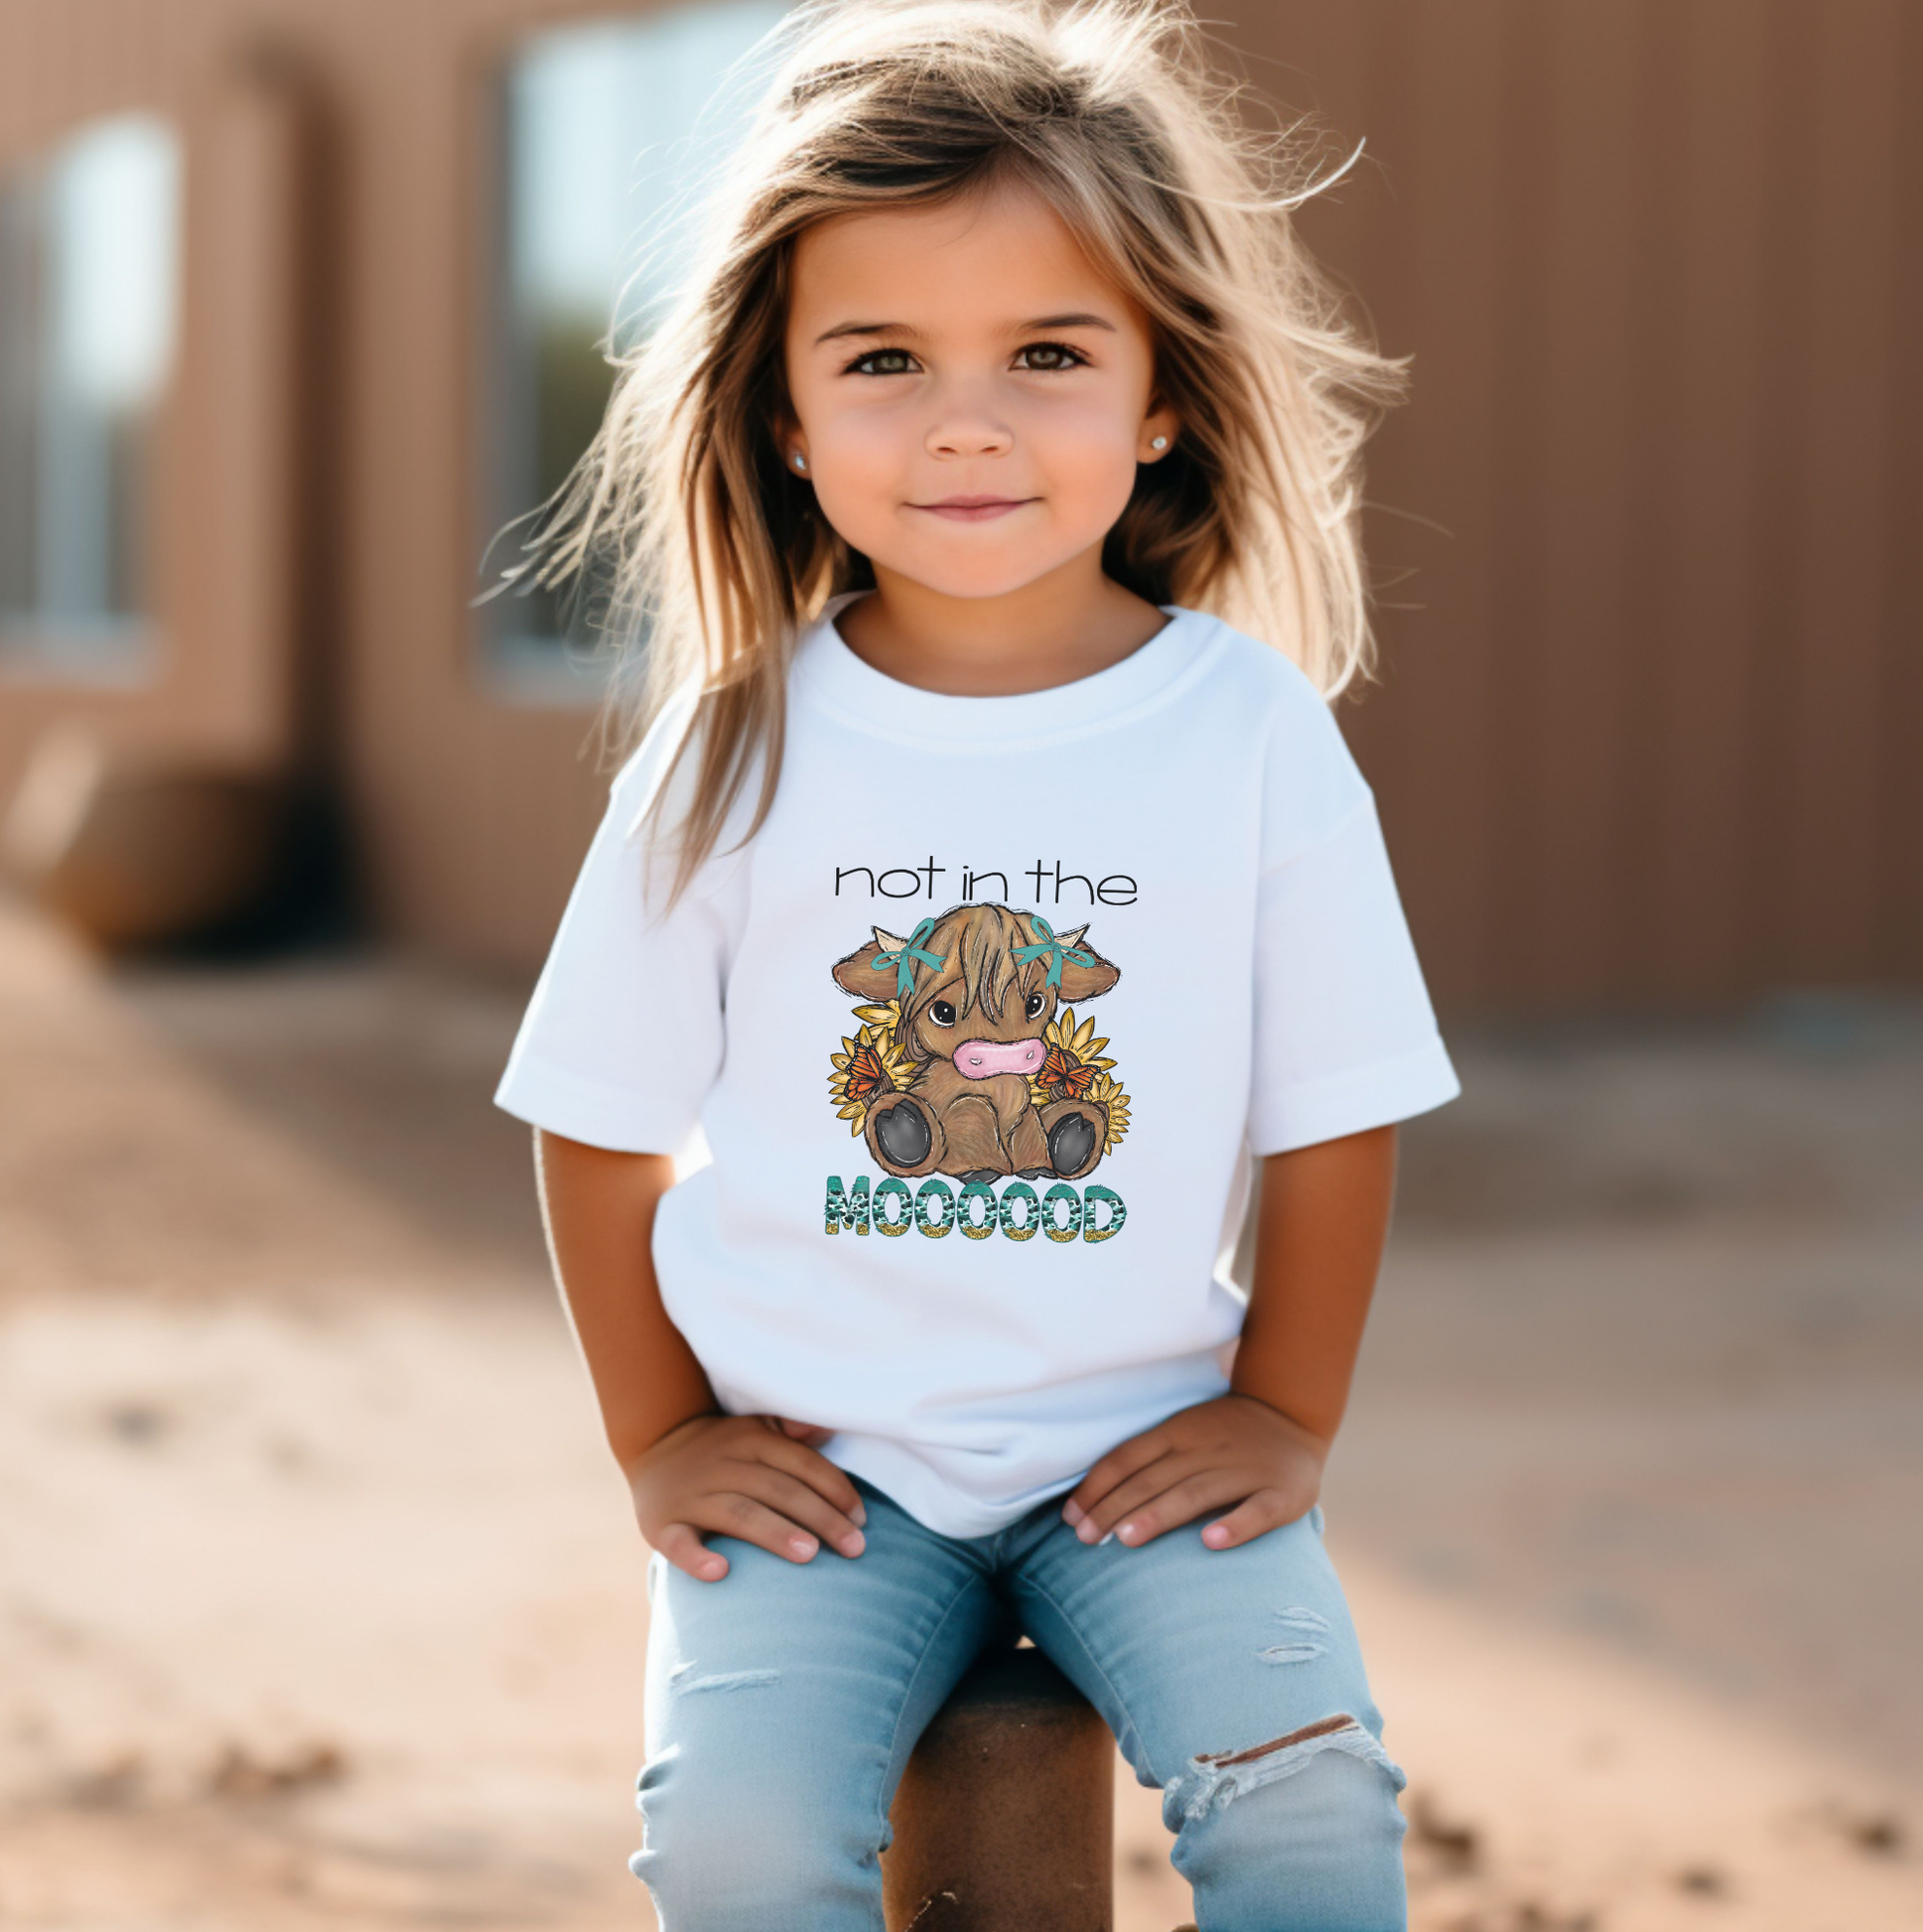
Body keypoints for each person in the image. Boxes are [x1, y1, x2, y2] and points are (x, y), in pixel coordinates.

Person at [491, 1, 1459, 1924]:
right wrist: (661, 1431)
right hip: (821, 1476)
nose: (965, 419)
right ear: (781, 409)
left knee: (1309, 1810)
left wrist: (1285, 1407)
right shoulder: (729, 745)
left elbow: (1333, 1112)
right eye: (880, 359)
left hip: (1138, 1458)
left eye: (1045, 351)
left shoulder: (1249, 734)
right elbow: (595, 1120)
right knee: (738, 1846)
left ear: (1159, 388)